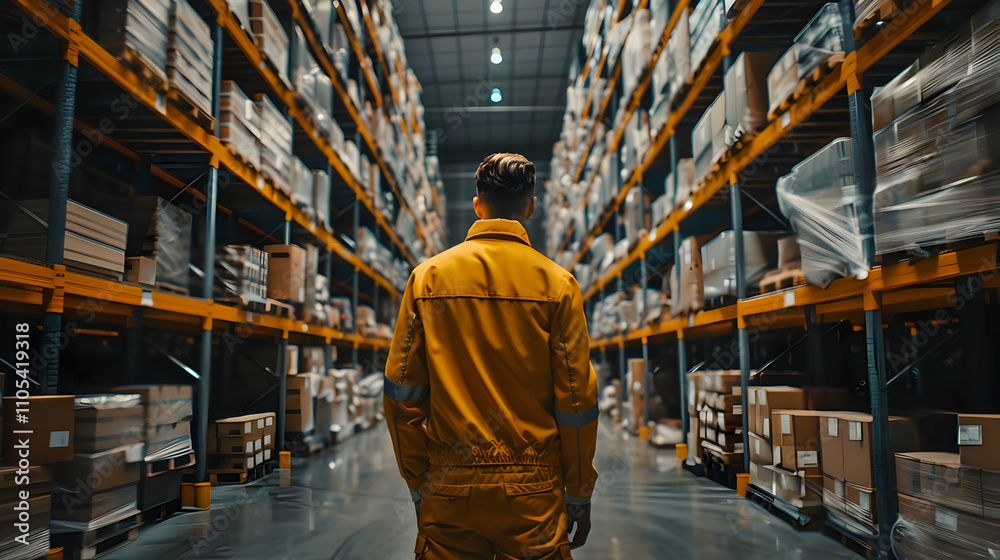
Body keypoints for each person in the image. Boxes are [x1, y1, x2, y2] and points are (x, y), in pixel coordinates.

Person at [383, 153, 599, 560]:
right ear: (531, 207)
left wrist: (420, 481)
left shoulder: (427, 280)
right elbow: (576, 401)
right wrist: (578, 489)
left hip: (450, 488)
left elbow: (400, 397)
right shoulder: (558, 285)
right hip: (533, 496)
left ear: (477, 205)